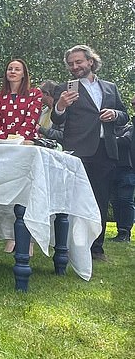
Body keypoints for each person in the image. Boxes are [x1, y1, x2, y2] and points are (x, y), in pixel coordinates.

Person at [52, 45, 128, 260]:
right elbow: (58, 120)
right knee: (73, 200)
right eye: (71, 64)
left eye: (78, 62)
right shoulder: (64, 89)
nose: (75, 67)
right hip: (78, 151)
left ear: (90, 62)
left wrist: (114, 114)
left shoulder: (110, 88)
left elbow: (125, 116)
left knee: (100, 200)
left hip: (105, 151)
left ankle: (96, 248)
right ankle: (67, 246)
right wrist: (60, 106)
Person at [0, 59, 42, 141]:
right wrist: (4, 141)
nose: (12, 72)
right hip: (3, 143)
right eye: (10, 69)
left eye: (17, 69)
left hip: (27, 142)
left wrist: (17, 139)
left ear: (23, 74)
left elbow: (31, 120)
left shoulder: (35, 94)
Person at [112, 99, 134, 243]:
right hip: (117, 167)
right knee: (116, 200)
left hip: (129, 168)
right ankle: (121, 230)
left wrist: (108, 140)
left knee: (125, 200)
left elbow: (126, 141)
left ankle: (125, 231)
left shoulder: (130, 128)